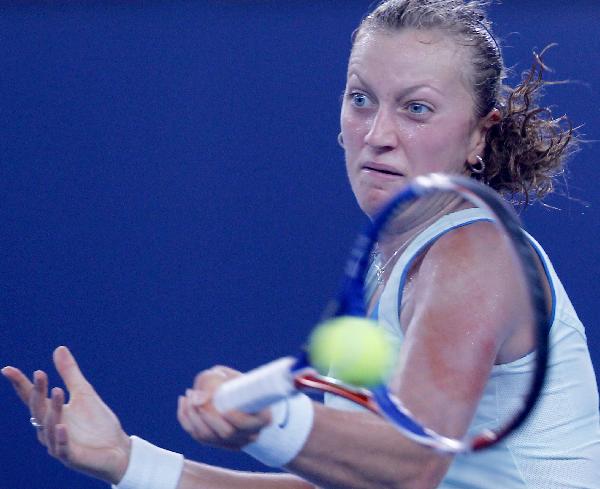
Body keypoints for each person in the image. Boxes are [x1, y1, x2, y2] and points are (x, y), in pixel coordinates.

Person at [3, 1, 600, 488]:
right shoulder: (393, 262)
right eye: (360, 98)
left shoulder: (472, 255)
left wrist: (273, 423)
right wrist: (129, 461)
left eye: (416, 108)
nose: (377, 135)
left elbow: (414, 463)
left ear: (479, 132)